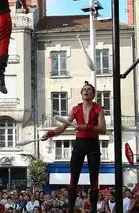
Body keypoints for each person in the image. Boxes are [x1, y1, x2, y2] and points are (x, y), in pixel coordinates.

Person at [42, 81, 107, 213]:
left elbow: (103, 129)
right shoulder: (75, 109)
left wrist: (88, 127)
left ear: (93, 94)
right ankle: (71, 209)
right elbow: (63, 127)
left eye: (89, 89)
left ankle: (93, 209)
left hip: (93, 145)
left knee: (94, 178)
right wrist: (50, 133)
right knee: (73, 178)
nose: (86, 91)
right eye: (84, 89)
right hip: (79, 144)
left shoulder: (98, 109)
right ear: (82, 93)